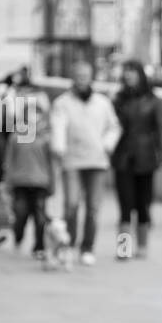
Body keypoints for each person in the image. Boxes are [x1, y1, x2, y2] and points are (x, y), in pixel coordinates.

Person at [50, 60, 121, 266]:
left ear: (91, 77)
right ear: (72, 77)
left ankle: (87, 247)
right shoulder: (62, 102)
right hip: (72, 160)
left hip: (97, 160)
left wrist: (107, 145)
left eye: (85, 75)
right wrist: (59, 147)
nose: (82, 79)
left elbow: (113, 127)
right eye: (78, 76)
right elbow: (58, 126)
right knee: (71, 205)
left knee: (93, 207)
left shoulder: (102, 102)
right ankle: (68, 244)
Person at [112, 61, 162, 259]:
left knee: (144, 204)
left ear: (140, 76)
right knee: (125, 205)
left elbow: (160, 130)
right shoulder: (118, 100)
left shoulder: (153, 100)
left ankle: (143, 245)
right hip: (123, 156)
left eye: (132, 73)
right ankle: (124, 248)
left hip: (146, 157)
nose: (128, 77)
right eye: (126, 73)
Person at [4, 70, 53, 257]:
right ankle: (18, 237)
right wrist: (6, 183)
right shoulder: (16, 137)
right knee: (21, 215)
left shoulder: (45, 138)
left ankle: (39, 247)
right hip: (20, 182)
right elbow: (9, 161)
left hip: (40, 182)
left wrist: (52, 184)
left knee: (41, 218)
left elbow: (51, 164)